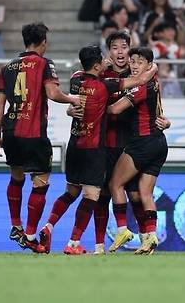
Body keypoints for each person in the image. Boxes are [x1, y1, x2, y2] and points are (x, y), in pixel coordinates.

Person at [40, 45, 158, 255]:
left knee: (71, 192)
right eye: (104, 58)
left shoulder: (77, 79)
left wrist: (71, 108)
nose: (107, 60)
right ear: (96, 65)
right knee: (93, 196)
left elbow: (77, 99)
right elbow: (140, 81)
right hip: (94, 149)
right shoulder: (106, 85)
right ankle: (74, 243)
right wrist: (153, 66)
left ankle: (48, 226)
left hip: (74, 146)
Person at [0, 22, 80, 254]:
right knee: (40, 182)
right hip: (33, 133)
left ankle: (15, 225)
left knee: (16, 177)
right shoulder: (44, 64)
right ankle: (31, 235)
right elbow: (52, 94)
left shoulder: (7, 67)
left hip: (10, 130)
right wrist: (72, 99)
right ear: (44, 42)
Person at [108, 47, 168, 255]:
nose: (134, 65)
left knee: (116, 184)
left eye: (139, 62)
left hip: (142, 143)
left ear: (148, 65)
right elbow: (159, 112)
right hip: (160, 144)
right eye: (132, 61)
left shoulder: (140, 87)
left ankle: (123, 230)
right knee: (144, 193)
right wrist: (166, 122)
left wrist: (96, 105)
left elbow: (115, 109)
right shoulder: (154, 82)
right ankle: (150, 238)